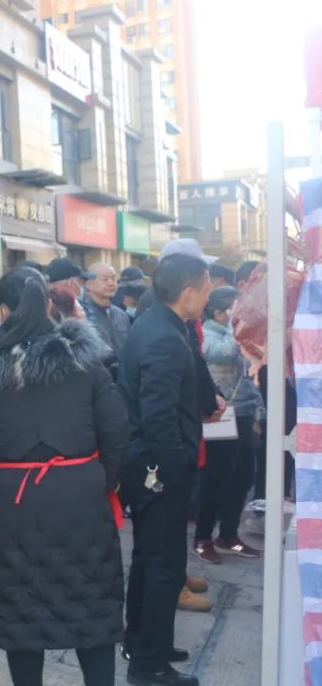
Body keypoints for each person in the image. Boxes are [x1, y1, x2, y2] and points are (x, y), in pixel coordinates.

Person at [0, 266, 127, 686]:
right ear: (48, 305)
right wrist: (100, 480)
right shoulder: (84, 361)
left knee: (21, 609)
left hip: (11, 504)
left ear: (1, 309)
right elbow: (117, 430)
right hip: (81, 498)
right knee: (92, 603)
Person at [118, 253, 214, 686]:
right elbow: (158, 418)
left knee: (148, 559)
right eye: (206, 289)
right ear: (188, 291)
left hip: (147, 463)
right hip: (156, 469)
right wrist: (176, 472)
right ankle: (149, 666)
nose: (208, 297)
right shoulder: (164, 337)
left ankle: (143, 641)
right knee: (163, 566)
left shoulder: (157, 323)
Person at [194, 286, 263, 563]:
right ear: (218, 312)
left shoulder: (237, 334)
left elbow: (251, 375)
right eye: (235, 308)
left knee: (244, 477)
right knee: (217, 478)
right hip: (220, 415)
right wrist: (239, 327)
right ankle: (203, 537)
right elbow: (222, 353)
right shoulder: (206, 334)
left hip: (244, 412)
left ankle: (229, 534)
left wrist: (259, 412)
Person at [82, 263, 131, 363]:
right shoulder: (82, 314)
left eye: (113, 278)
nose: (111, 283)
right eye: (105, 279)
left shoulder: (121, 315)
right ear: (89, 284)